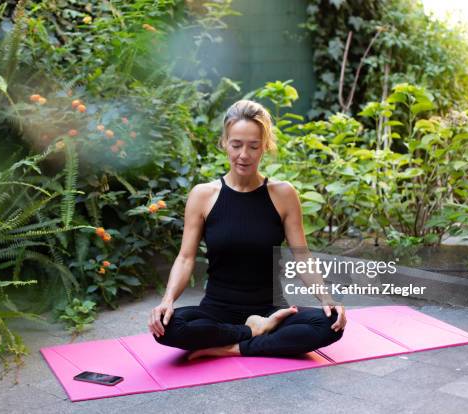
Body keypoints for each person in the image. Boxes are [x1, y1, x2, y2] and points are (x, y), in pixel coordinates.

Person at [148, 99, 346, 360]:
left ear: (264, 146)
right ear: (224, 143)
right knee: (167, 327)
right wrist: (167, 301)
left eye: (253, 146)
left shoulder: (283, 194)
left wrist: (326, 299)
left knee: (329, 325)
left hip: (270, 310)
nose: (244, 154)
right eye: (236, 145)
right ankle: (253, 333)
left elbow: (302, 256)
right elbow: (185, 257)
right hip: (216, 309)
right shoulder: (203, 195)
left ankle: (231, 346)